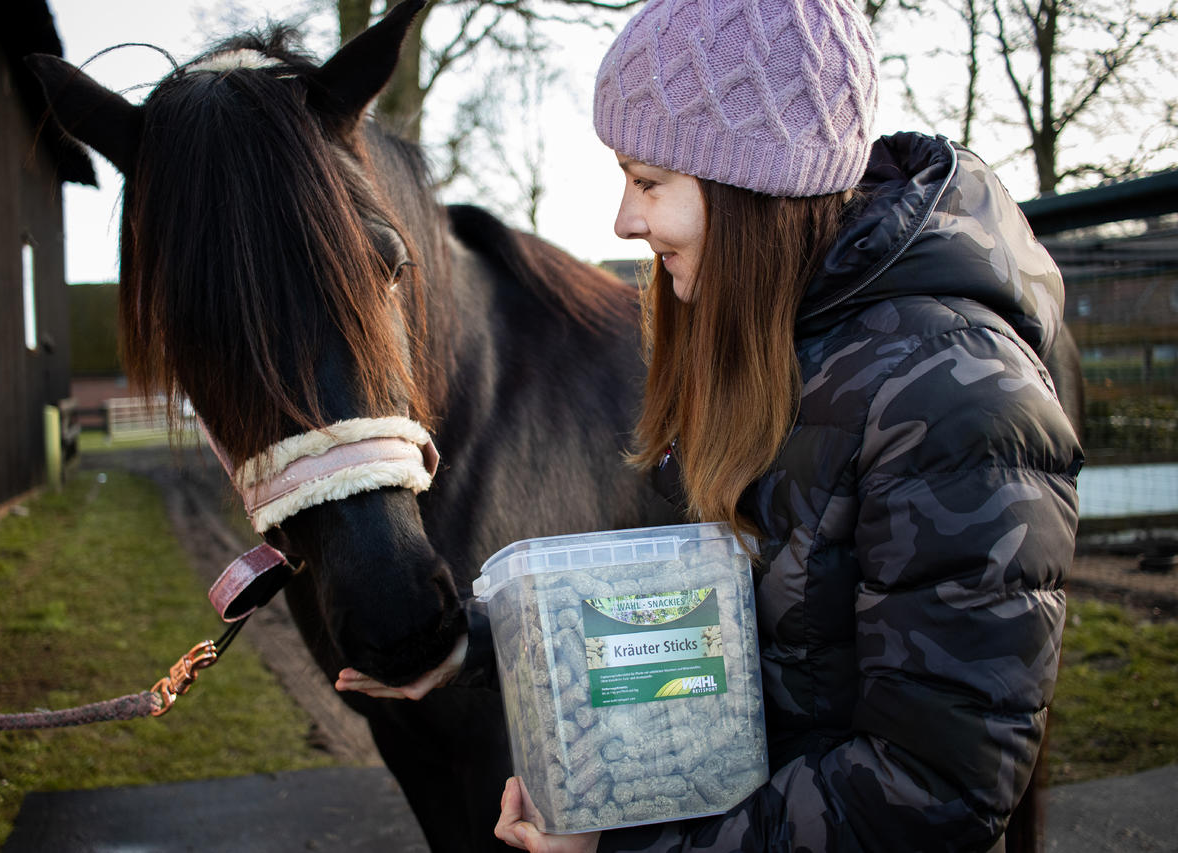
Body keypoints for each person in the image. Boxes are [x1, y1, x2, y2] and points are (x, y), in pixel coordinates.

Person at [340, 0, 1083, 849]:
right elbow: (695, 600)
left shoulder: (957, 404)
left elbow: (933, 789)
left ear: (748, 184)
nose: (624, 219)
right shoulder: (772, 349)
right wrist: (477, 645)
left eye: (648, 181)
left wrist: (629, 845)